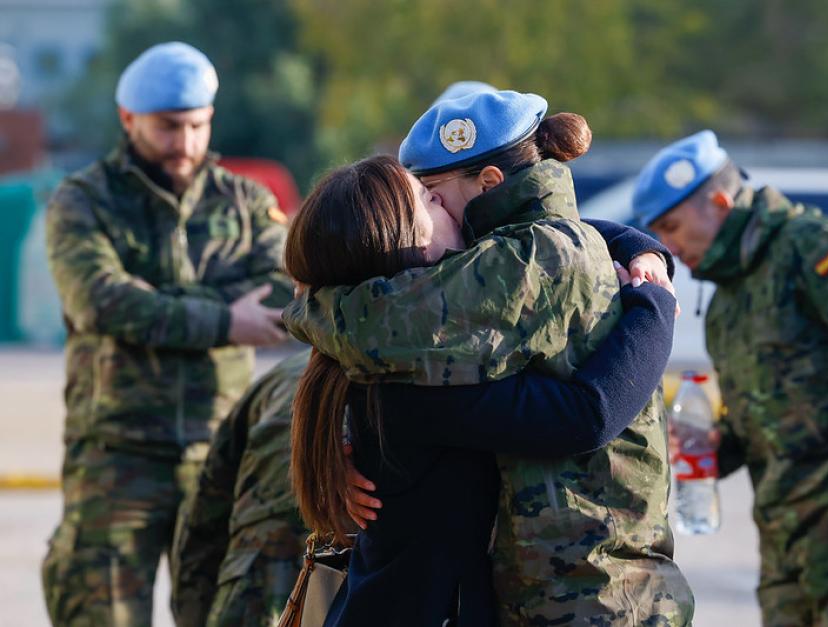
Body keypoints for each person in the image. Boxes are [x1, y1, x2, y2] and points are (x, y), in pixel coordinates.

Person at [283, 91, 693, 624]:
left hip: (594, 596)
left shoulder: (518, 270)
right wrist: (653, 305)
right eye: (424, 200)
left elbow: (554, 250)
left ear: (490, 187)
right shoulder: (420, 367)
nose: (433, 206)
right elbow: (583, 414)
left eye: (432, 193)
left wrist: (644, 260)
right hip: (587, 592)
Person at [631, 130, 828, 626]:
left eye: (672, 226)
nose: (667, 246)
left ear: (720, 202)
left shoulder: (809, 248)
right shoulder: (728, 299)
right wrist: (713, 446)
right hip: (788, 547)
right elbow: (769, 415)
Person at [41, 41, 293, 626]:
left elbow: (284, 290)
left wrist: (157, 303)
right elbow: (101, 301)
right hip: (116, 451)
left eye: (197, 126)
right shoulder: (84, 202)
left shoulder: (247, 201)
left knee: (227, 613)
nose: (184, 144)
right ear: (128, 119)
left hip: (220, 448)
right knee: (98, 614)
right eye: (167, 128)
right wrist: (225, 318)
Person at [170, 352, 309, 627]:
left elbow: (205, 514)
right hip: (292, 559)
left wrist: (194, 616)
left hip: (258, 570)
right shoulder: (411, 369)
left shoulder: (286, 371)